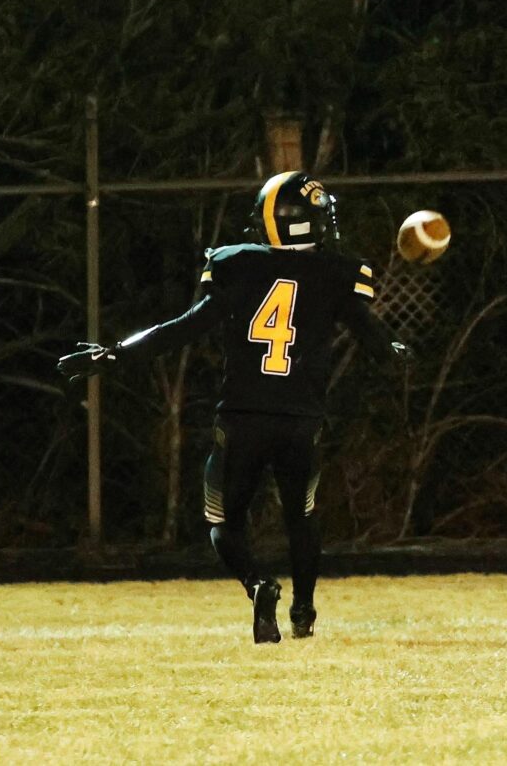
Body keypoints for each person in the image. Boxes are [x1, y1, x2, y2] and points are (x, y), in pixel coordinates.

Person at [58, 172, 407, 642]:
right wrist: (394, 350)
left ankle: (258, 584)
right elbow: (373, 337)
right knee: (301, 516)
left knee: (224, 520)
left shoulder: (236, 264)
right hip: (301, 419)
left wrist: (116, 353)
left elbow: (185, 326)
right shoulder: (337, 273)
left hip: (242, 416)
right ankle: (303, 611)